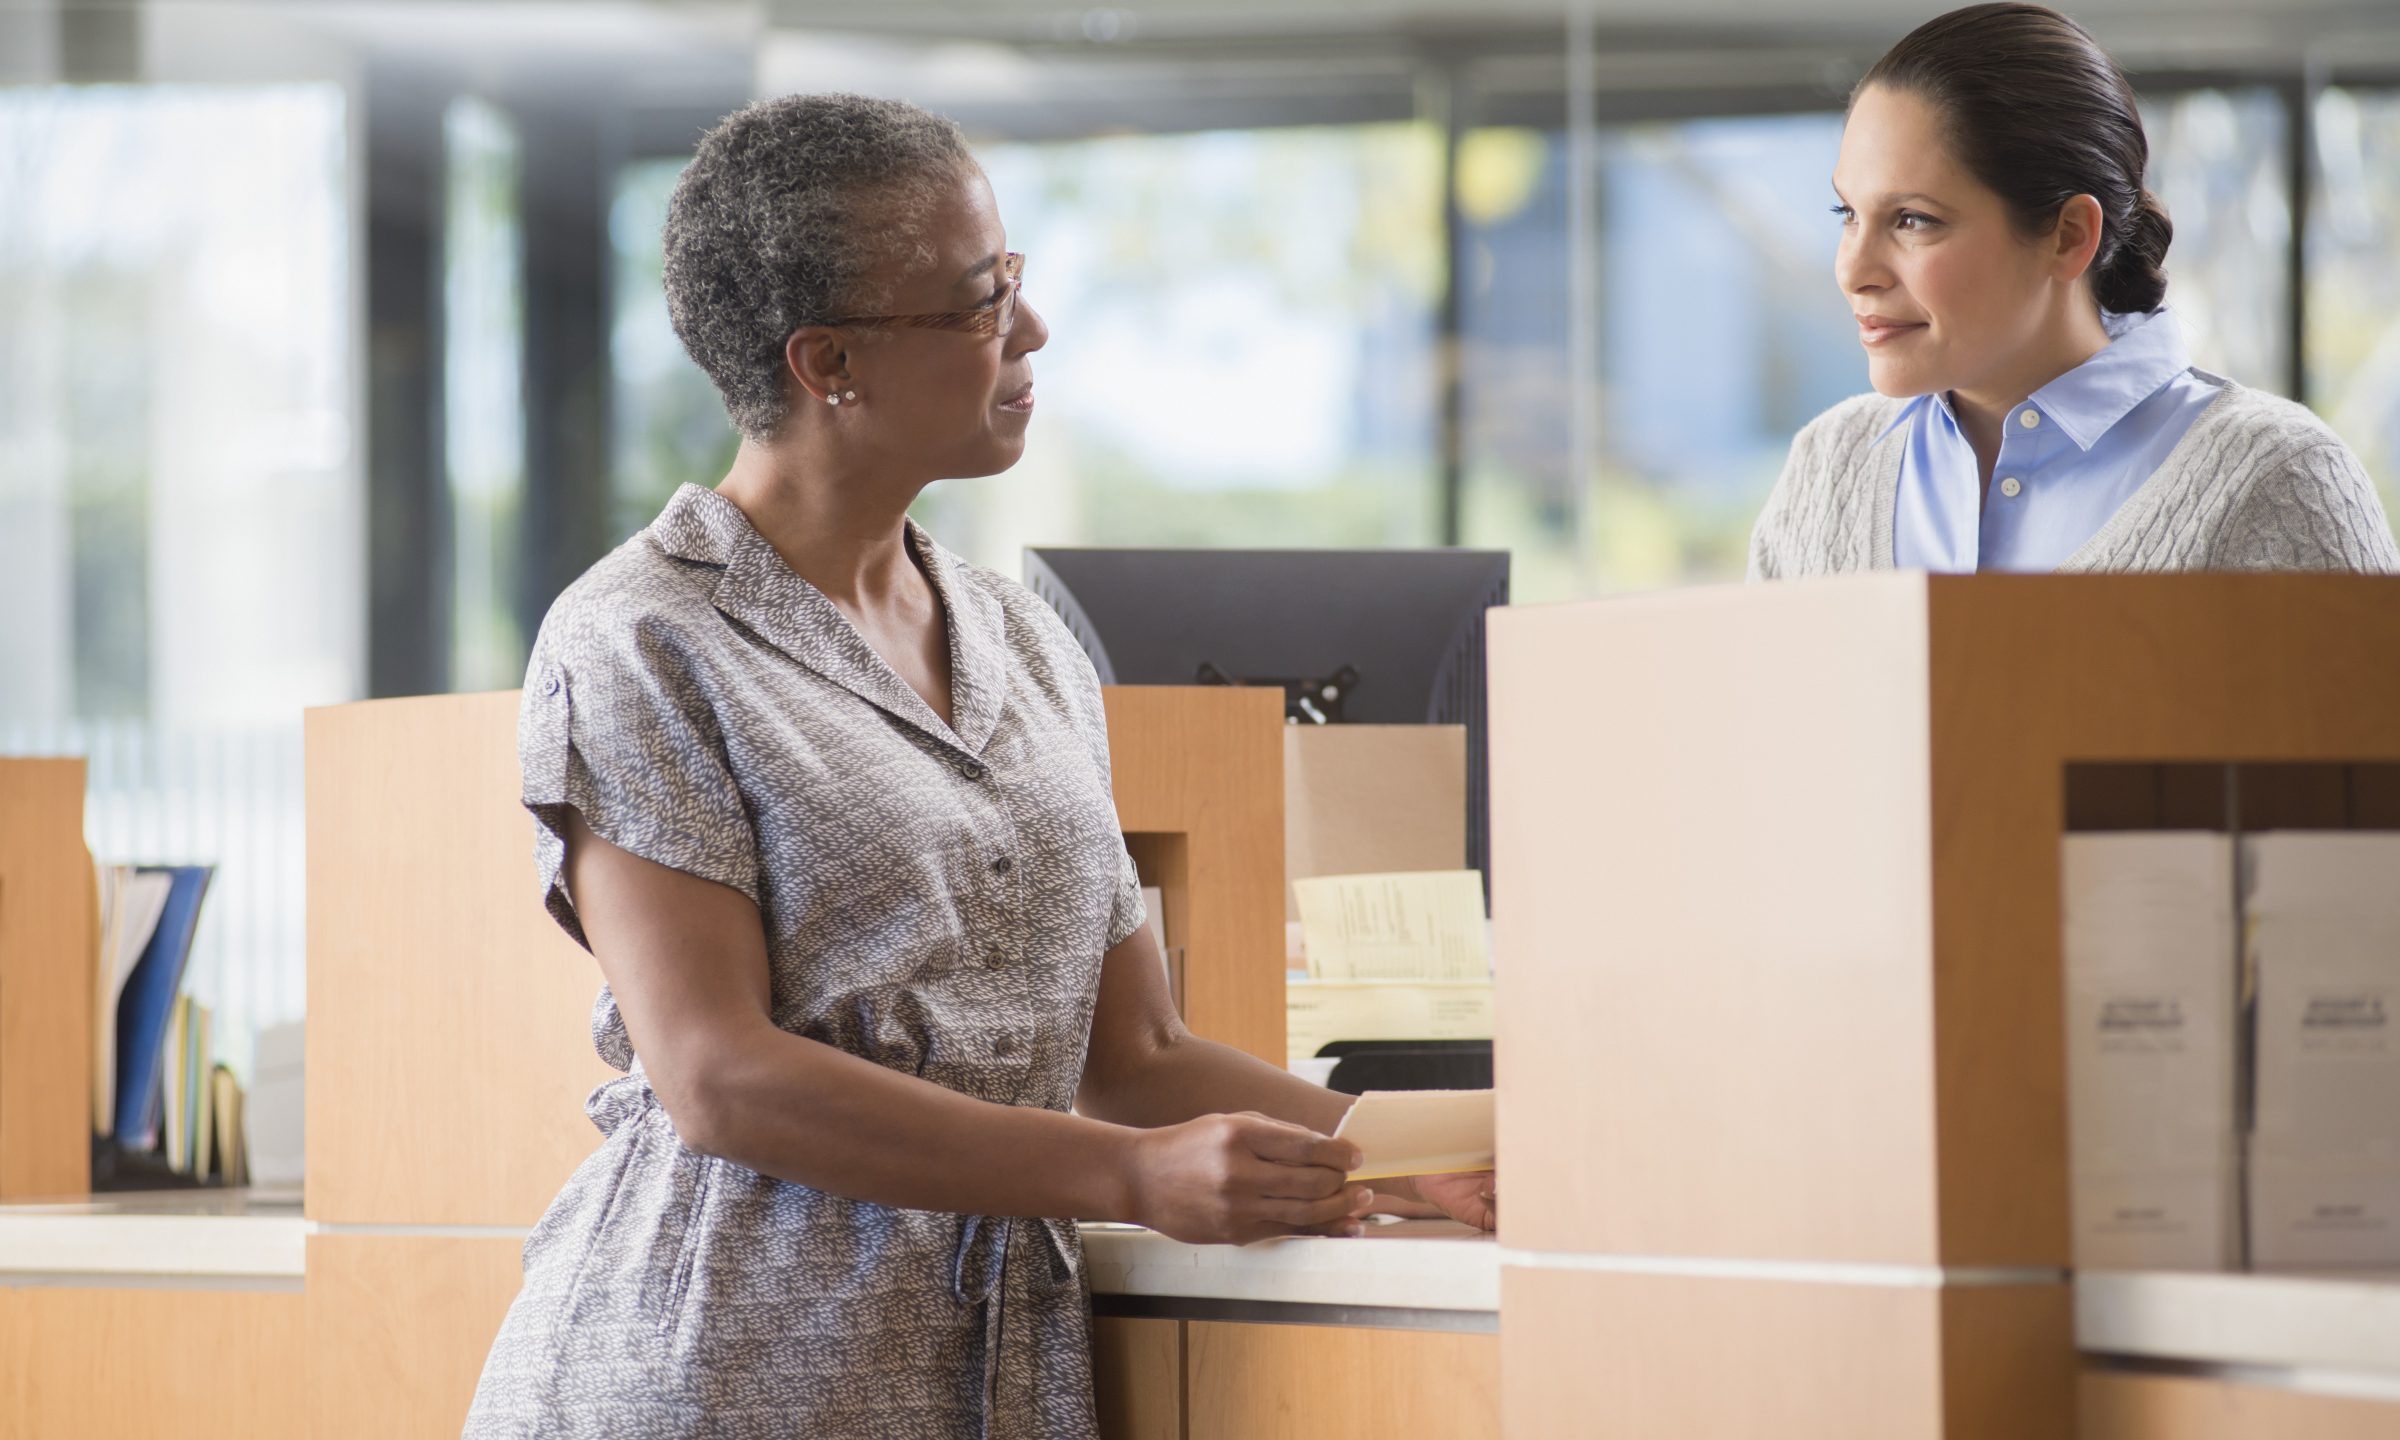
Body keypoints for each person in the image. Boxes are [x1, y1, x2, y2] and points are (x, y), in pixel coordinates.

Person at [461, 93, 1496, 1440]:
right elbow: (719, 1075)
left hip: (987, 1381)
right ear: (827, 360)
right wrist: (1130, 1177)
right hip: (712, 1374)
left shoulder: (1022, 635)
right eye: (979, 300)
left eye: (1014, 279)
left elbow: (1137, 1054)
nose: (1031, 332)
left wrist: (1417, 1156)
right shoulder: (641, 638)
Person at [1750, 2, 2400, 577]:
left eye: (1913, 220)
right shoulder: (1827, 468)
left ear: (2068, 236)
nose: (1854, 269)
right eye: (1849, 215)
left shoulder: (2272, 478)